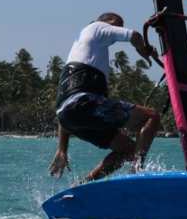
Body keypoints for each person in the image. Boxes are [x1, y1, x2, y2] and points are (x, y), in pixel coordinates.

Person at [48, 12, 160, 183]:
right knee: (151, 117)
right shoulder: (96, 27)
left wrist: (62, 149)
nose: (119, 28)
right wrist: (143, 50)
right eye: (118, 24)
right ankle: (137, 173)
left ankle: (84, 185)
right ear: (106, 21)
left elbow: (66, 109)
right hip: (84, 105)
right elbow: (135, 36)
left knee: (128, 149)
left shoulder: (84, 52)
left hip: (71, 115)